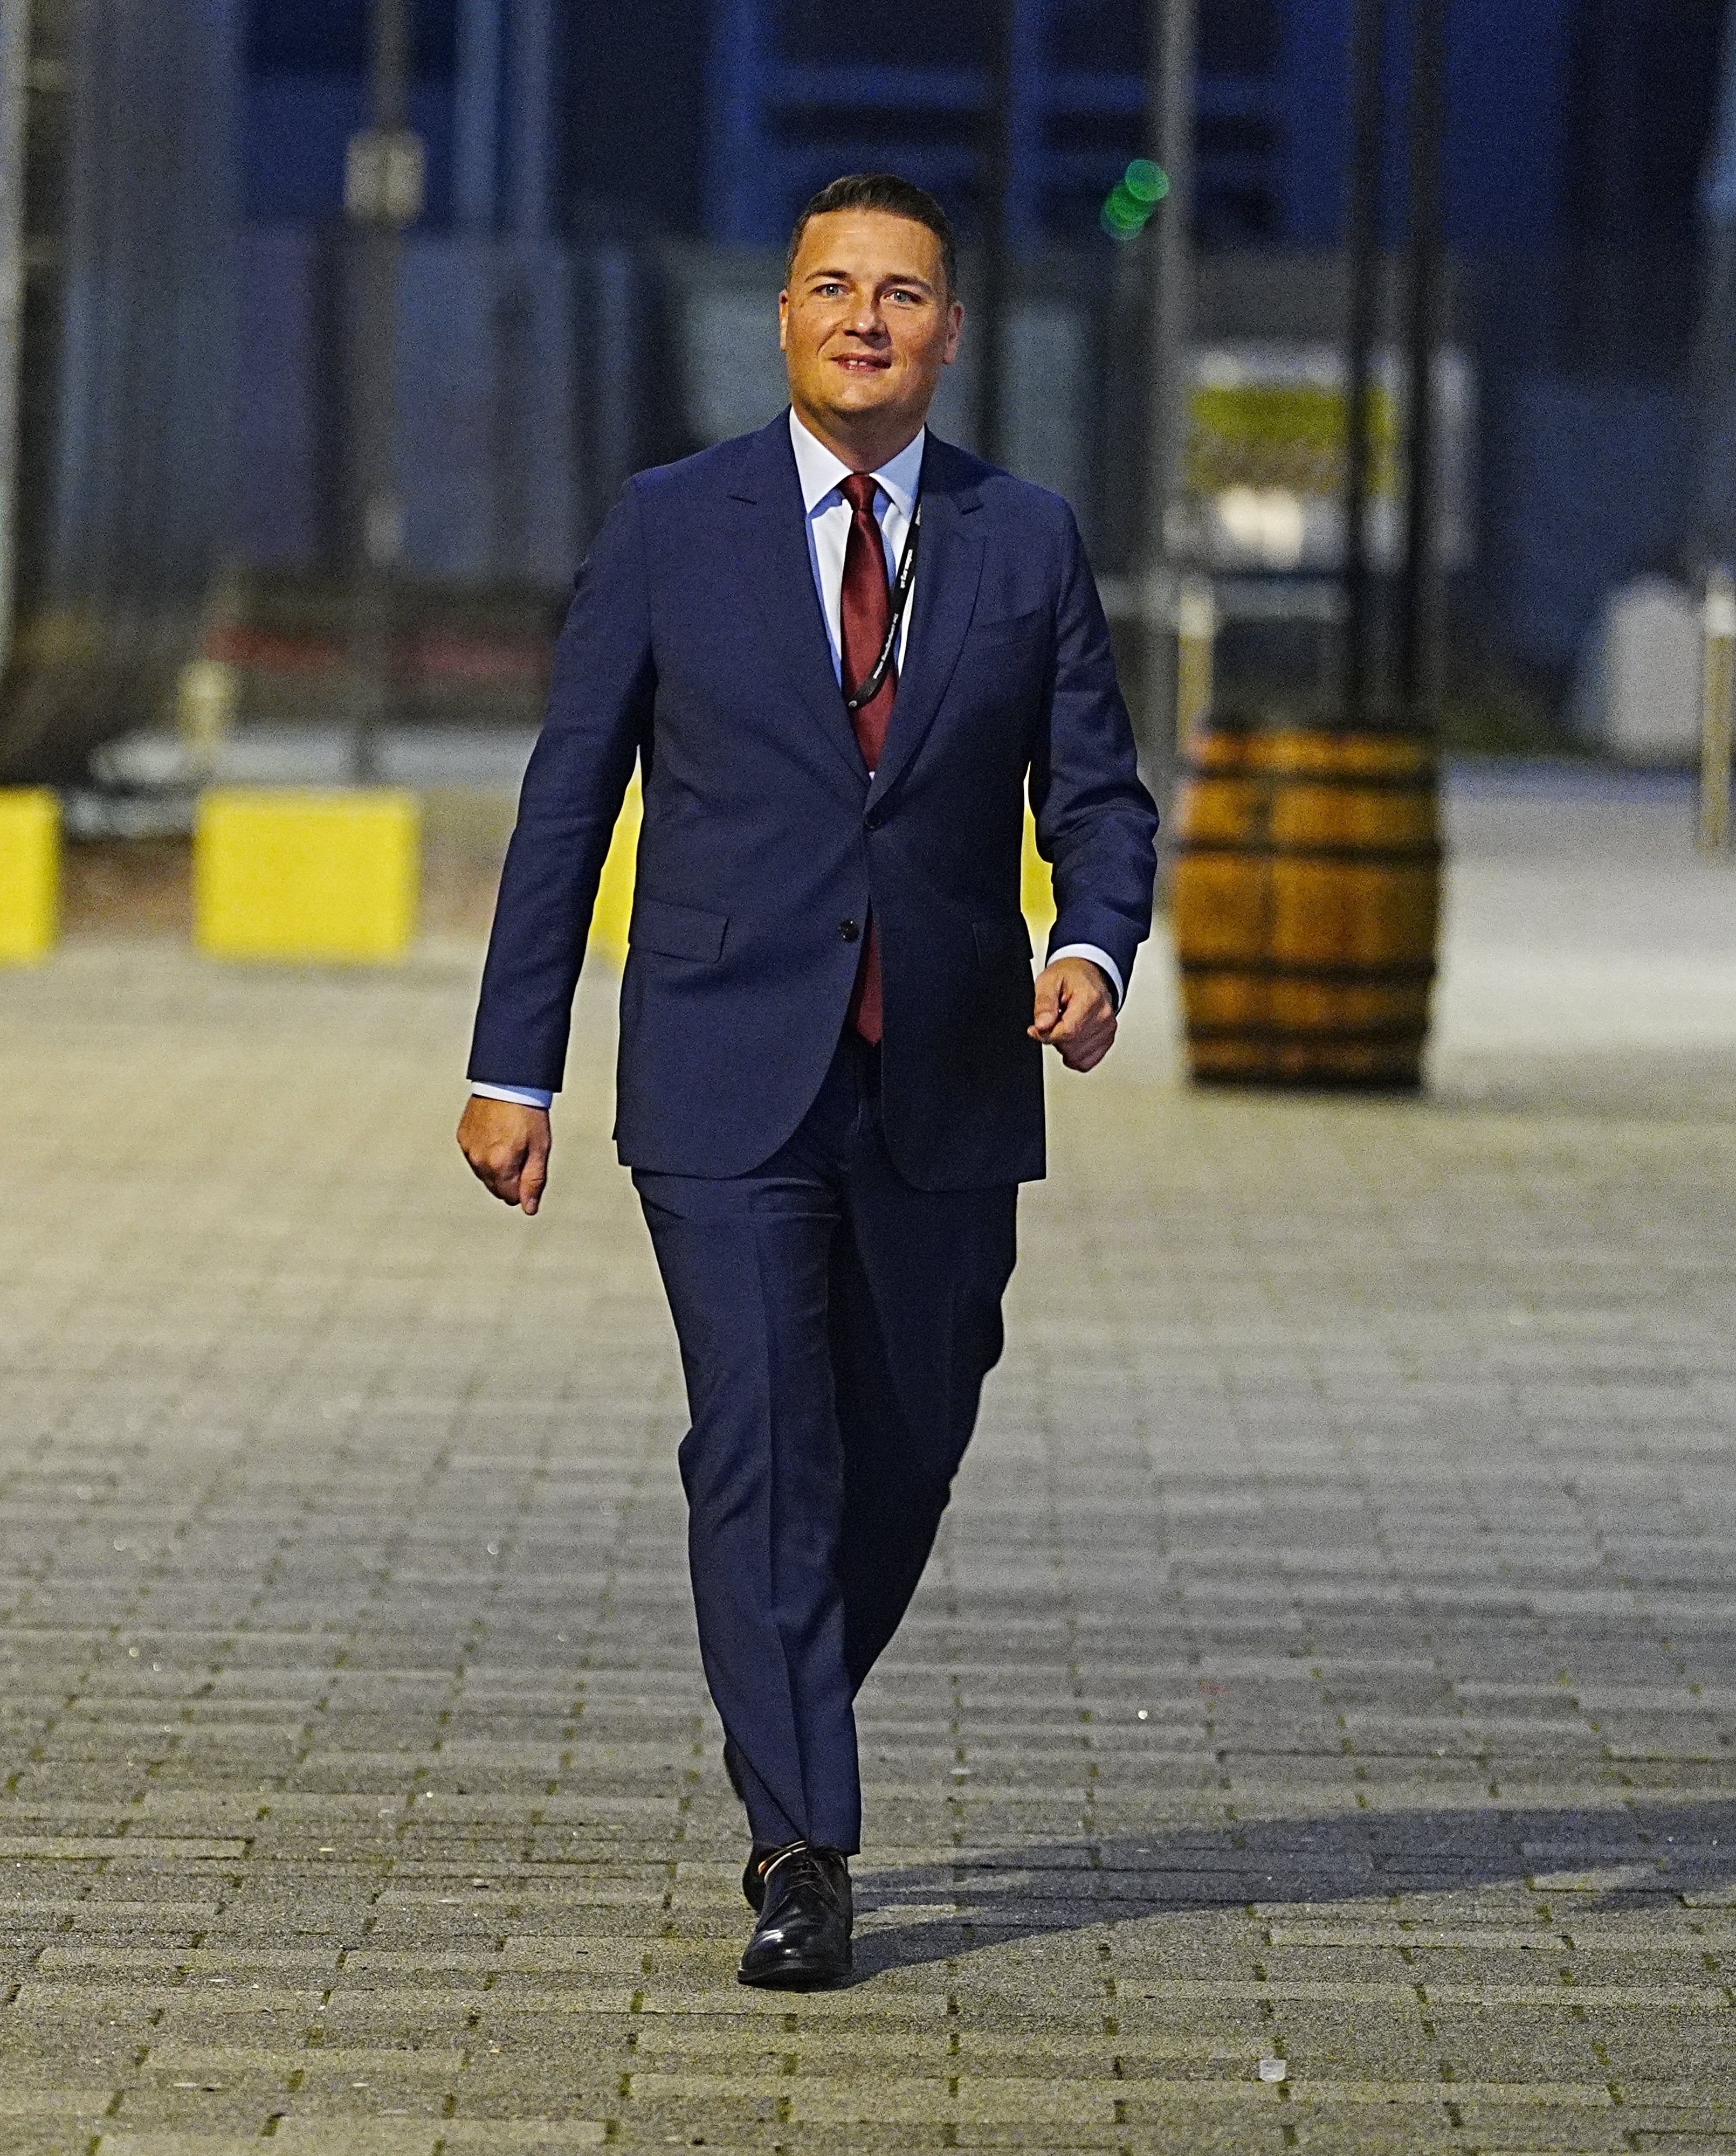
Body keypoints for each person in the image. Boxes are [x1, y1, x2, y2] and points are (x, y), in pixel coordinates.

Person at [457, 172, 1159, 1989]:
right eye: (834, 288)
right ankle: (805, 1847)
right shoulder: (670, 527)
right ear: (781, 317)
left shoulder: (1029, 538)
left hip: (945, 1076)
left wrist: (1090, 945)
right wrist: (508, 1064)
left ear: (949, 330)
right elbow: (568, 801)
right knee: (762, 1441)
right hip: (719, 1072)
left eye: (904, 293)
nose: (867, 317)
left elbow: (1097, 792)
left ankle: (771, 1689)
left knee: (907, 1446)